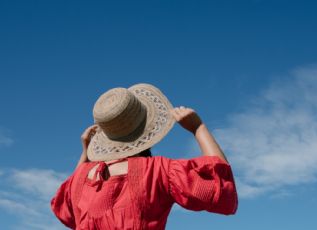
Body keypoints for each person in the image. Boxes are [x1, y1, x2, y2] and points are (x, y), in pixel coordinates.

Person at [50, 83, 238, 230]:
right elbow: (223, 193)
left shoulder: (80, 179)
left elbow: (67, 210)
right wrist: (198, 128)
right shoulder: (158, 171)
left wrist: (85, 154)